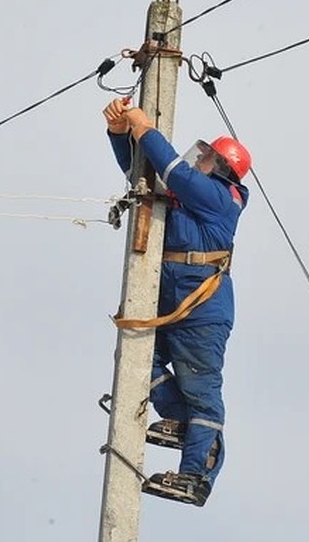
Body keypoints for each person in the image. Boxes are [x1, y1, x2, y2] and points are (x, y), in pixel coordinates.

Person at [103, 96, 251, 507]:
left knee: (202, 389)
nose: (198, 160)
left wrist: (143, 125)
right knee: (136, 361)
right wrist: (121, 133)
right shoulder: (189, 195)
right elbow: (144, 172)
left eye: (207, 158)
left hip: (201, 313)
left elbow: (172, 170)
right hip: (169, 304)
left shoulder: (221, 197)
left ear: (220, 169)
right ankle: (182, 423)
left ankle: (195, 476)